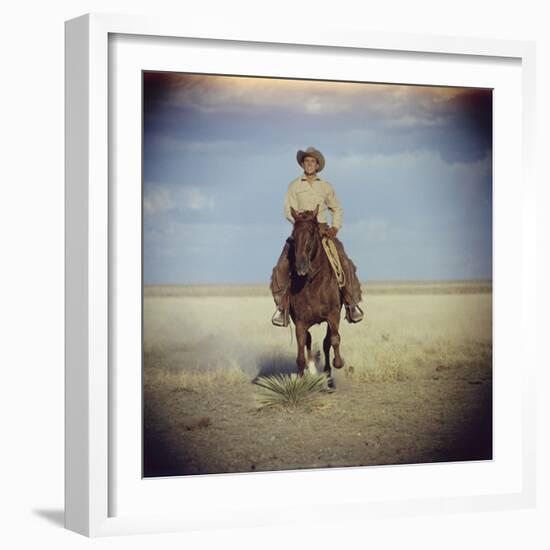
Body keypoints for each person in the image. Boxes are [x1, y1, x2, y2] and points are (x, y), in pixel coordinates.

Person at [270, 146, 364, 327]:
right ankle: (282, 307)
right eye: (306, 161)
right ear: (302, 164)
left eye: (312, 161)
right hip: (300, 230)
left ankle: (351, 304)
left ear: (318, 165)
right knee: (281, 266)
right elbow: (287, 209)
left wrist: (335, 228)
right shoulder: (294, 186)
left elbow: (336, 208)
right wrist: (301, 222)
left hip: (322, 230)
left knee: (344, 262)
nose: (309, 164)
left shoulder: (325, 186)